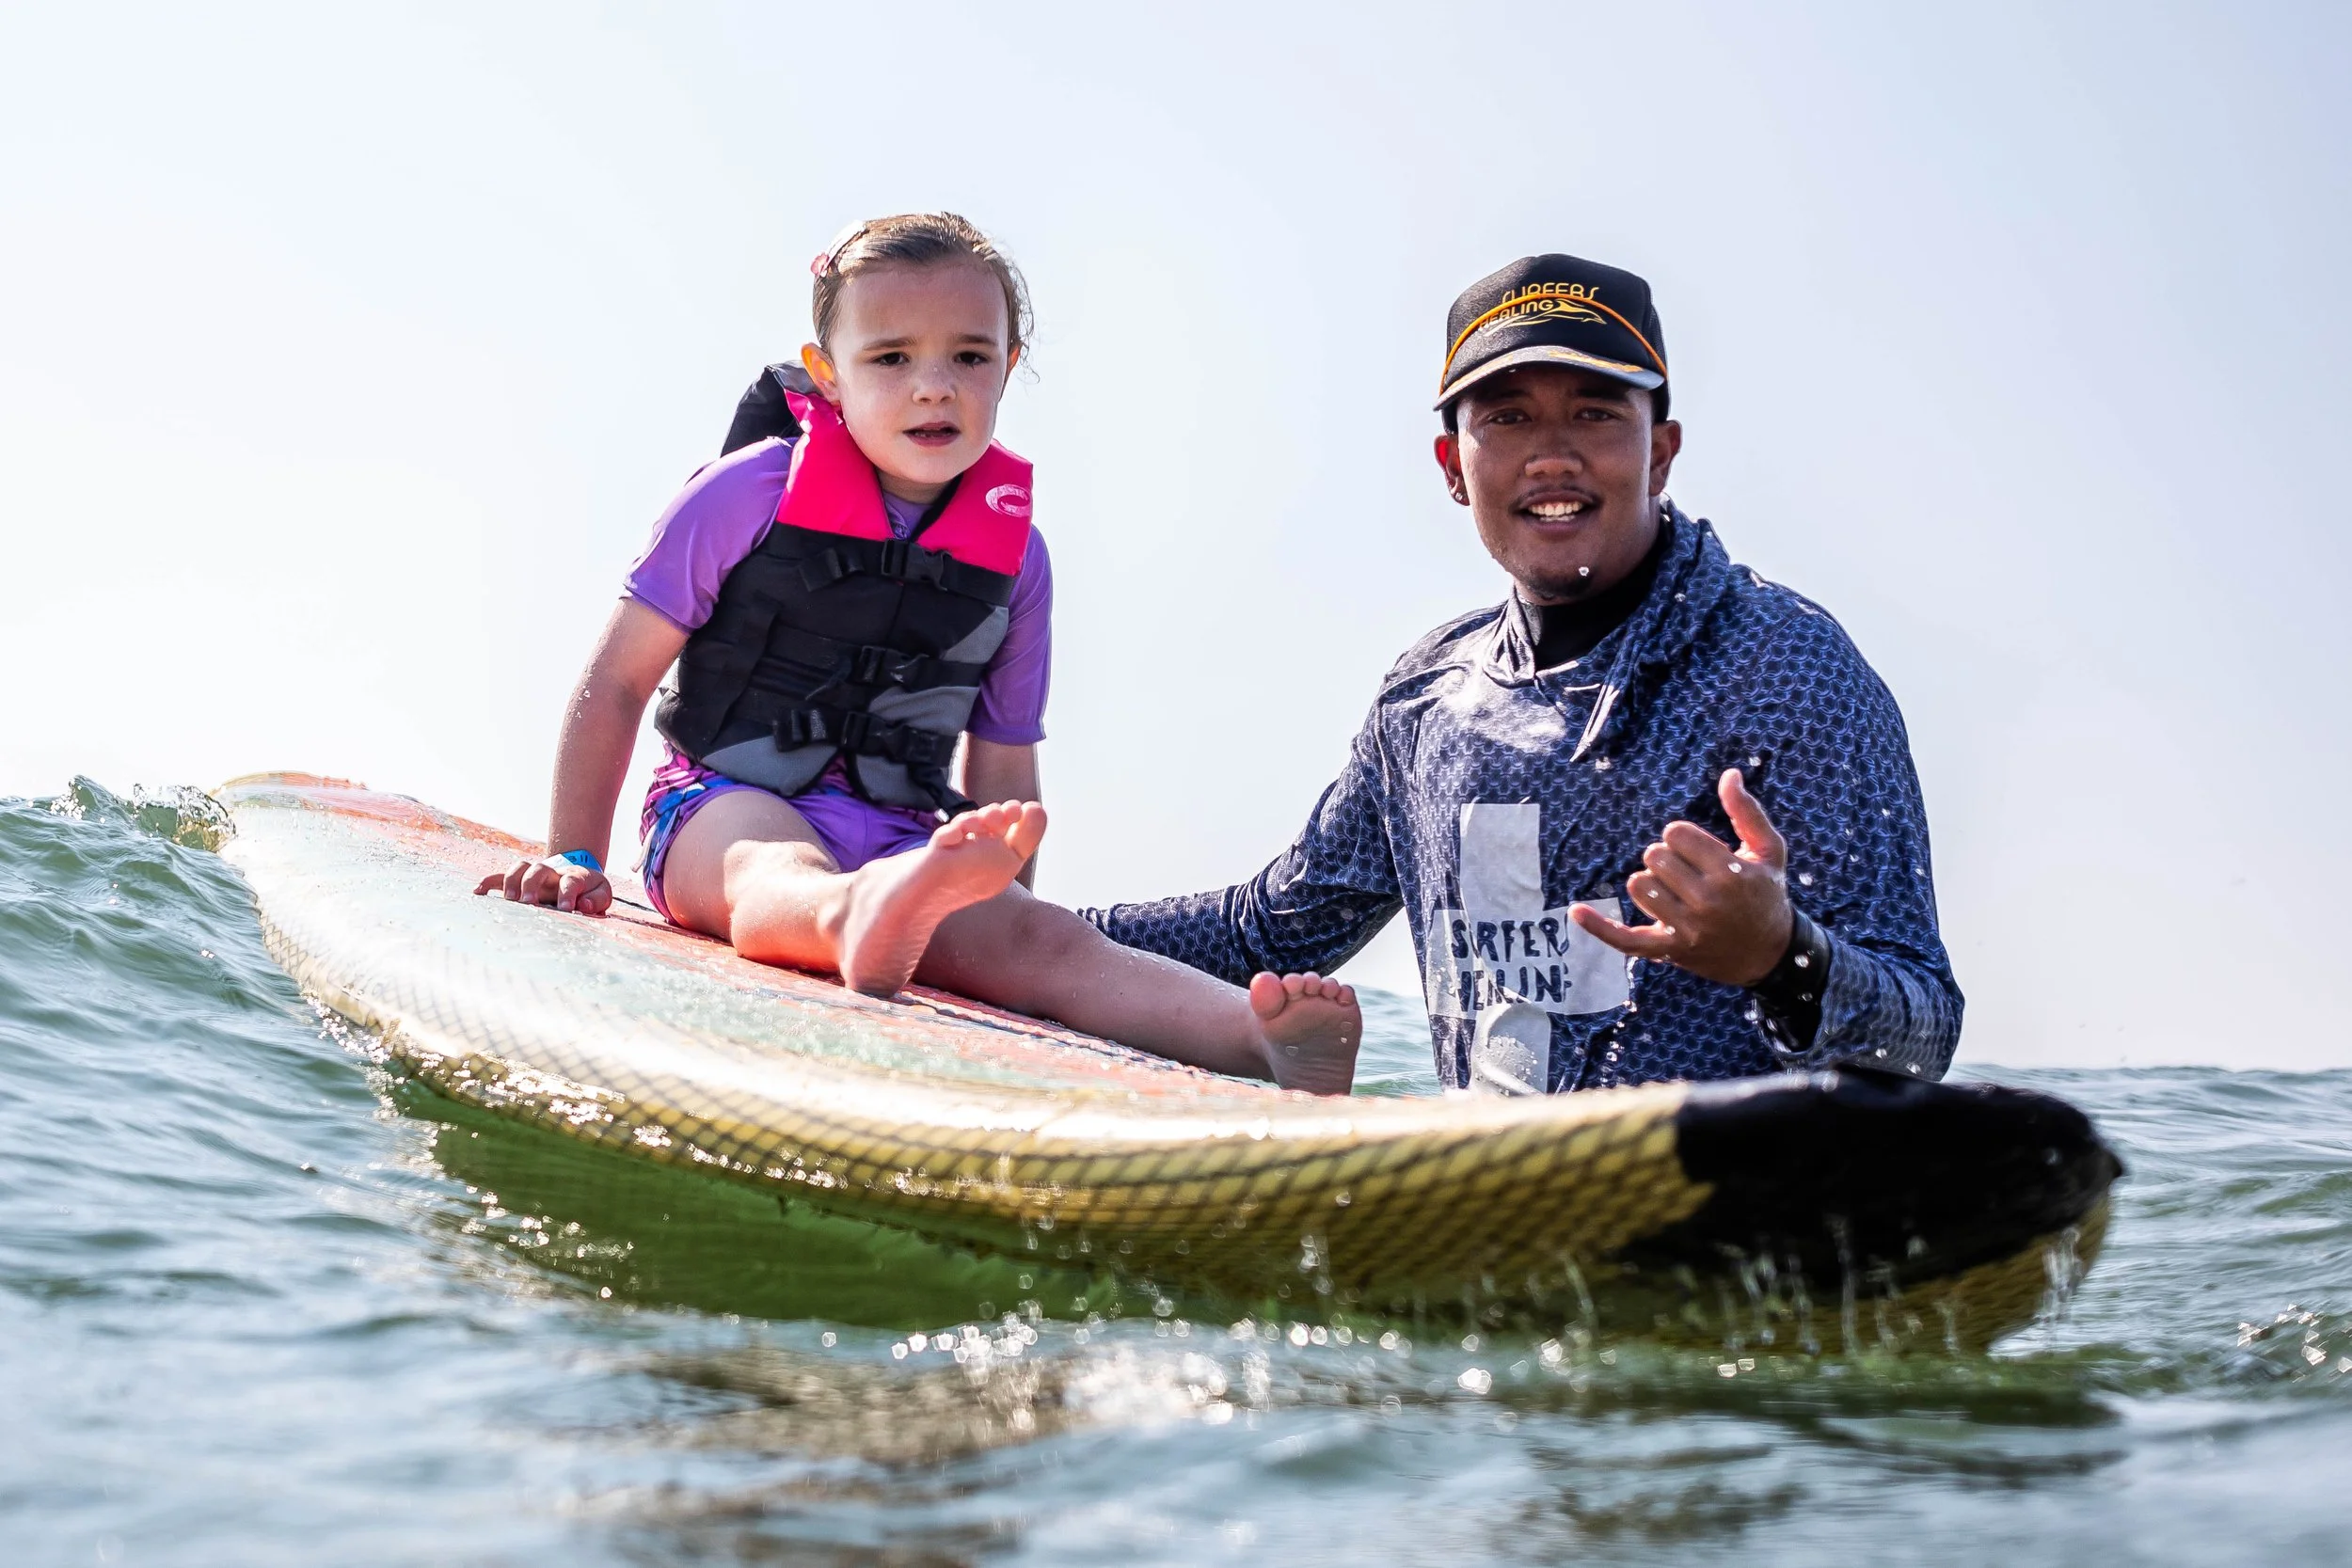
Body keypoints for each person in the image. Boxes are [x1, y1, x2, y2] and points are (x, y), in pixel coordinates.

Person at [478, 212, 1360, 1092]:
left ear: (1009, 368)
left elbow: (1004, 760)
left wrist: (1002, 910)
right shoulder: (744, 495)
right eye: (892, 357)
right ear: (828, 374)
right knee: (773, 869)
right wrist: (576, 857)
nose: (933, 386)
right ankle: (852, 917)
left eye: (969, 357)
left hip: (906, 850)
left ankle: (1254, 1037)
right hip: (720, 805)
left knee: (1049, 941)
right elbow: (619, 680)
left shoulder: (1018, 558)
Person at [1084, 254, 1962, 1094]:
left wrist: (1782, 957)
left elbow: (1923, 1033)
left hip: (1728, 1212)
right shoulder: (1425, 703)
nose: (1552, 456)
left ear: (1661, 450)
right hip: (1497, 1207)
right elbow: (1269, 930)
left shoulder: (1787, 671)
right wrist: (1018, 933)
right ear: (1451, 468)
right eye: (1506, 417)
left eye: (1594, 413)